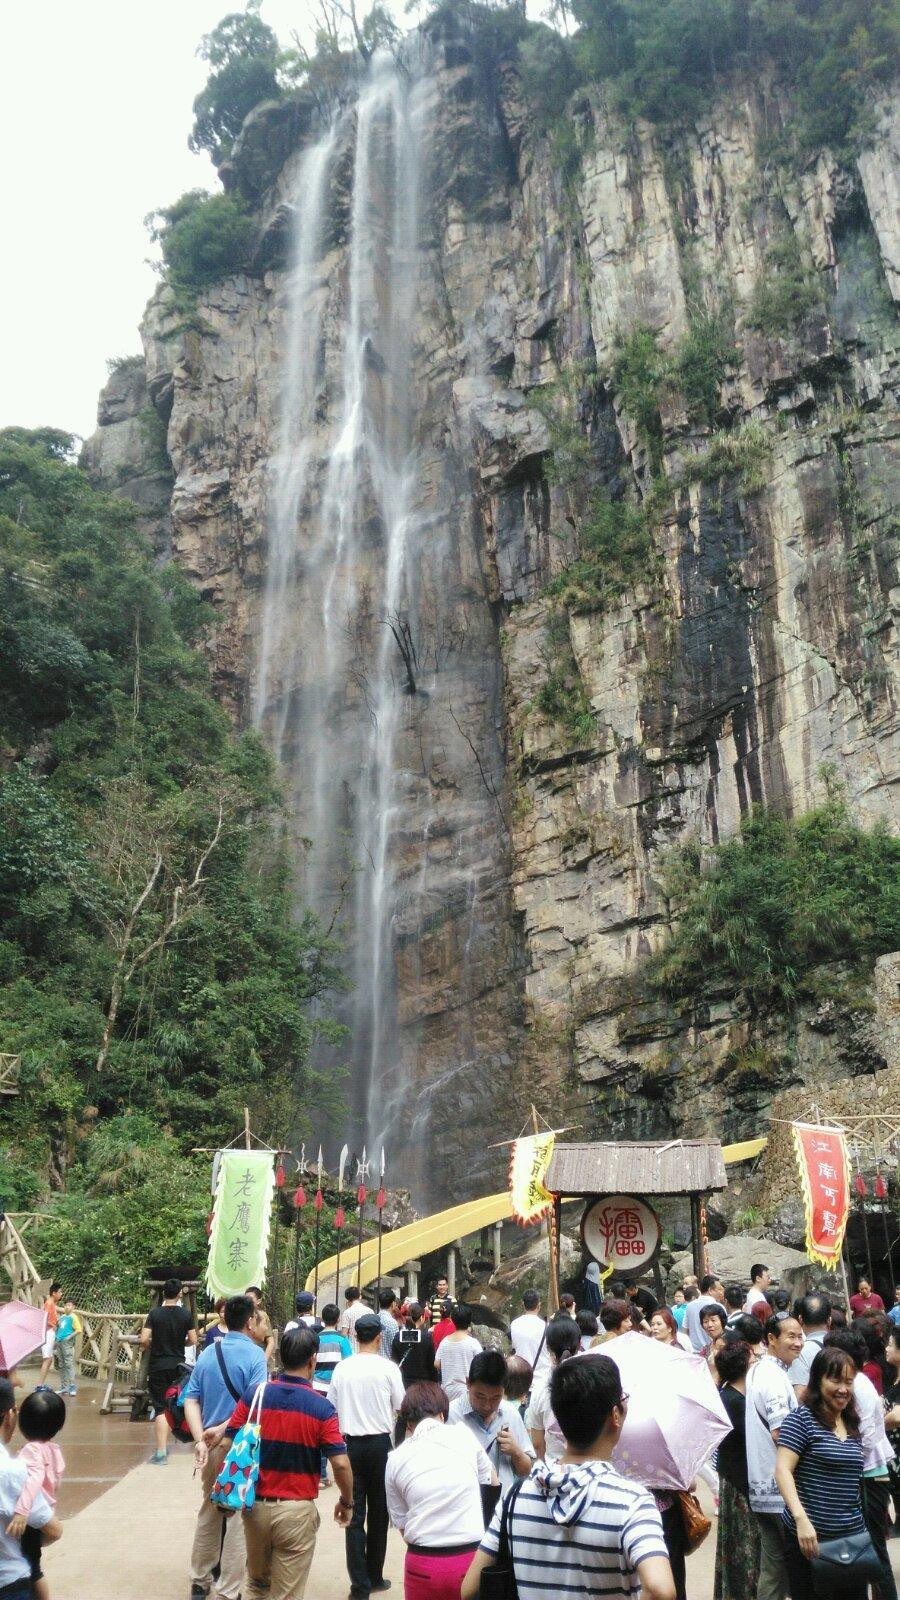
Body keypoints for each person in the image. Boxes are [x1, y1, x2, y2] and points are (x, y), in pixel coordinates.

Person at [462, 1353, 675, 1600]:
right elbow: (661, 1589)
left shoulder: (515, 1496)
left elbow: (469, 1589)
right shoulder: (633, 1503)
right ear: (616, 1415)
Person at [213, 1326, 353, 1600]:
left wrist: (227, 1494)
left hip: (256, 1509)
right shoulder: (321, 1407)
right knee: (286, 1594)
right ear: (313, 1359)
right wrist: (347, 1502)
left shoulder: (255, 1395)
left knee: (256, 1585)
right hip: (296, 1512)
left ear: (279, 1356)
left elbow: (226, 1444)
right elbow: (341, 1464)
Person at [183, 1292, 268, 1600]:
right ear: (249, 1321)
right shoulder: (256, 1356)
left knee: (209, 1509)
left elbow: (190, 1398)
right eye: (256, 1318)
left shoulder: (208, 1353)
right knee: (236, 1514)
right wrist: (223, 1430)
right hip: (239, 1446)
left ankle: (199, 1579)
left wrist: (201, 1438)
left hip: (211, 1447)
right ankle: (229, 1589)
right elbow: (254, 1405)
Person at [385, 1381, 496, 1600]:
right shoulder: (463, 1436)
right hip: (471, 1561)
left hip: (423, 1565)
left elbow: (402, 1523)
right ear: (443, 1416)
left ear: (408, 1424)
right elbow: (492, 1481)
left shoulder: (395, 1459)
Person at [775, 1346, 868, 1600]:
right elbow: (782, 1470)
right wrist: (800, 1519)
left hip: (851, 1539)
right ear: (818, 1380)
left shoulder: (851, 1423)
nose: (843, 1389)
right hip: (810, 1542)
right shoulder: (801, 1419)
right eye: (835, 1380)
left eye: (849, 1382)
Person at [327, 1313, 404, 1599]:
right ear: (379, 1337)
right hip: (381, 1445)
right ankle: (375, 1576)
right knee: (379, 1513)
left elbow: (331, 1407)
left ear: (355, 1337)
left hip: (350, 1446)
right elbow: (400, 1405)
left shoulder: (342, 1369)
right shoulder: (389, 1368)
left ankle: (358, 1585)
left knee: (354, 1511)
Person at [825, 1328, 897, 1600]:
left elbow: (866, 1438)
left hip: (868, 1476)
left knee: (873, 1551)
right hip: (867, 1473)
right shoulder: (854, 1383)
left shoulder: (858, 1387)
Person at [745, 1312, 803, 1600]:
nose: (798, 1342)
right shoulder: (774, 1377)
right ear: (771, 1339)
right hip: (780, 1490)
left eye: (800, 1335)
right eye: (790, 1336)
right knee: (792, 1567)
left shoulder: (759, 1370)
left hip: (762, 1487)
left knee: (774, 1568)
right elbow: (782, 1434)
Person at [0, 1379, 62, 1600]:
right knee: (35, 1571)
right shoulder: (15, 1469)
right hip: (9, 1580)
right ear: (9, 1416)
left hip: (27, 1517)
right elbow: (54, 1531)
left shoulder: (27, 1455)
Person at [713, 1340, 760, 1600]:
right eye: (751, 1359)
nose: (755, 1362)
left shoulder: (733, 1394)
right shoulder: (734, 1401)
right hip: (740, 1483)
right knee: (745, 1547)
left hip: (735, 1479)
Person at [448, 1351, 535, 1490]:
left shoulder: (510, 1414)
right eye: (480, 1396)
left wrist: (516, 1452)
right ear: (468, 1383)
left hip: (502, 1507)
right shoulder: (450, 1415)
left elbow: (526, 1471)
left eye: (495, 1398)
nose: (487, 1405)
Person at [140, 1277, 196, 1463]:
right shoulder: (186, 1315)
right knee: (177, 1403)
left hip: (157, 1365)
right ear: (180, 1293)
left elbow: (144, 1338)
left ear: (164, 1293)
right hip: (178, 1366)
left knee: (161, 1408)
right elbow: (193, 1340)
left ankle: (162, 1453)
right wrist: (183, 1343)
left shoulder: (154, 1314)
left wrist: (150, 1345)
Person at [527, 1317, 582, 1462]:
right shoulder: (592, 1380)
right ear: (579, 1344)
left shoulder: (540, 1388)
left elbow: (538, 1444)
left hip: (554, 1470)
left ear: (548, 1347)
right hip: (589, 1471)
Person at [434, 1307, 482, 1405]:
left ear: (452, 1320)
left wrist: (450, 1364)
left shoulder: (444, 1342)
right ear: (469, 1322)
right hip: (466, 1391)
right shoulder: (473, 1343)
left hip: (448, 1391)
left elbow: (437, 1364)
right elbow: (481, 1366)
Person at [789, 1291, 831, 1395]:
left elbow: (800, 1394)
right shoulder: (843, 1344)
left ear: (800, 1319)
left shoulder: (800, 1351)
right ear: (829, 1321)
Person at [390, 1303, 437, 1390]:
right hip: (423, 1386)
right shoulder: (426, 1337)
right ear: (422, 1318)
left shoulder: (398, 1336)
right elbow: (431, 1365)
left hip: (402, 1384)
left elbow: (394, 1362)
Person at [684, 1275, 725, 1353]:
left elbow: (685, 1330)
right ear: (710, 1290)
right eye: (719, 1289)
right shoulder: (718, 1307)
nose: (721, 1292)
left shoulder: (689, 1306)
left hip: (694, 1353)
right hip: (714, 1352)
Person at [34, 1284, 62, 1392]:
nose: (61, 1294)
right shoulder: (49, 1303)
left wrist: (57, 1322)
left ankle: (41, 1384)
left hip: (50, 1332)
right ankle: (39, 1385)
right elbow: (44, 1318)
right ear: (54, 1293)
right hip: (48, 1332)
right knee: (47, 1359)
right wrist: (53, 1324)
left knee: (49, 1359)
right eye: (59, 1292)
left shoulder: (52, 1304)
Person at [509, 1289, 547, 1367]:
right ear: (539, 1305)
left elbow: (514, 1346)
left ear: (523, 1304)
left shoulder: (514, 1324)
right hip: (543, 1375)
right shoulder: (546, 1326)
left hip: (522, 1373)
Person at [53, 1300, 80, 1397]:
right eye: (66, 1305)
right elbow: (59, 1328)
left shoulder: (73, 1317)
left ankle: (72, 1387)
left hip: (67, 1343)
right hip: (59, 1341)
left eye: (69, 1305)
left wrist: (69, 1337)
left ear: (73, 1307)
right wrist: (56, 1339)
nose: (67, 1307)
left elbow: (78, 1330)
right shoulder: (62, 1317)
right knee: (61, 1364)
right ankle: (63, 1387)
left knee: (68, 1364)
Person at [246, 1286, 278, 1364]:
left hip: (259, 1360)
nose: (247, 1301)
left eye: (250, 1299)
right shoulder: (242, 1315)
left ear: (258, 1301)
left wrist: (263, 1361)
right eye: (245, 1298)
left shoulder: (262, 1316)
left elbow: (271, 1342)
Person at [340, 1286, 368, 1350]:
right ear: (360, 1297)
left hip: (352, 1350)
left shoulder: (347, 1313)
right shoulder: (369, 1311)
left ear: (347, 1298)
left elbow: (344, 1335)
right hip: (366, 1349)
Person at [378, 1289, 401, 1361]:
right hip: (388, 1362)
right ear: (393, 1304)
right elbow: (396, 1346)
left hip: (376, 1362)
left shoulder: (375, 1318)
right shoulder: (392, 1323)